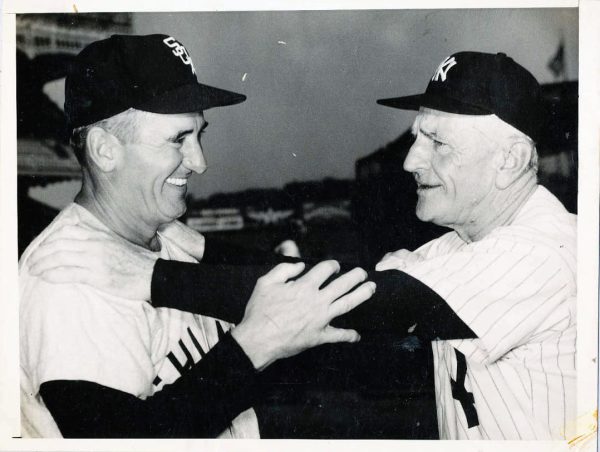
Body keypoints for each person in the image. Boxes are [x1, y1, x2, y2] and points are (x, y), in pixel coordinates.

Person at [28, 51, 576, 440]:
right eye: (416, 139)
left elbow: (375, 304)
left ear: (508, 160)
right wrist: (207, 253)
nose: (411, 160)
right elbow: (340, 284)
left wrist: (150, 277)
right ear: (103, 148)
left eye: (438, 142)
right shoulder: (458, 248)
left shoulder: (543, 252)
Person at [19, 34, 377, 438]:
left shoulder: (170, 238)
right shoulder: (68, 277)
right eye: (178, 139)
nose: (200, 162)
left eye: (199, 135)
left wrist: (210, 255)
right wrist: (251, 348)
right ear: (105, 150)